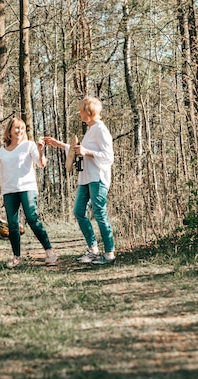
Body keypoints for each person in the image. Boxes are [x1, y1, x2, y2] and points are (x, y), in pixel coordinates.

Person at [44, 96, 116, 265]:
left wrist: (87, 152)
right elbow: (79, 150)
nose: (79, 113)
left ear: (89, 111)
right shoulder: (90, 130)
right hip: (85, 178)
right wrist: (59, 144)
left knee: (99, 213)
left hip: (98, 178)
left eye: (82, 110)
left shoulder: (100, 129)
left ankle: (109, 254)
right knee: (78, 211)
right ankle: (93, 250)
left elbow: (108, 156)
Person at [0, 116, 58, 268]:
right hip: (9, 190)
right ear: (10, 130)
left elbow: (41, 164)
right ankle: (16, 257)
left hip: (27, 188)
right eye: (16, 128)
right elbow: (2, 173)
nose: (19, 131)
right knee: (12, 224)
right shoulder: (2, 151)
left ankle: (49, 251)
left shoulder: (29, 145)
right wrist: (2, 194)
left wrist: (40, 149)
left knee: (32, 218)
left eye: (22, 128)